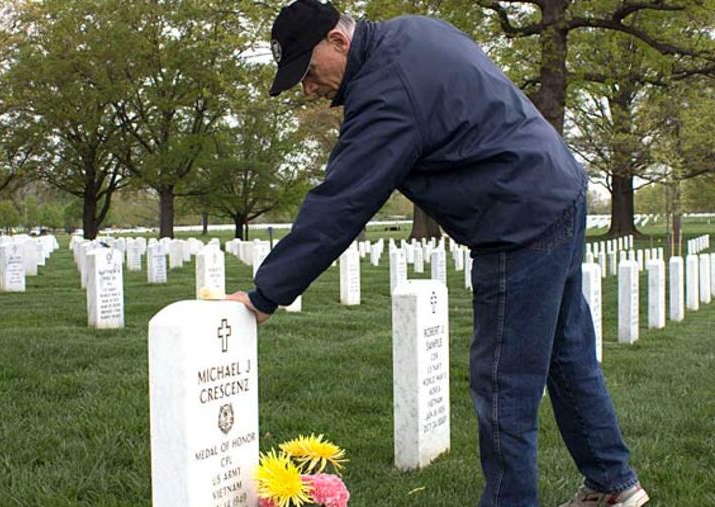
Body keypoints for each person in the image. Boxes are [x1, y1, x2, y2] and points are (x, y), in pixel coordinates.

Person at [227, 1, 649, 506]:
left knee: (502, 385)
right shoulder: (414, 31)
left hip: (518, 222)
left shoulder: (386, 94)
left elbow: (341, 203)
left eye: (309, 71)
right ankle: (612, 484)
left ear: (338, 41)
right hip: (558, 191)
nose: (308, 88)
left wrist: (265, 293)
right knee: (568, 353)